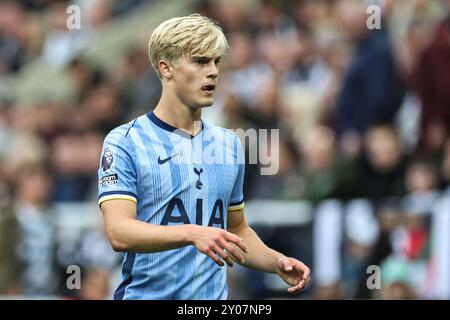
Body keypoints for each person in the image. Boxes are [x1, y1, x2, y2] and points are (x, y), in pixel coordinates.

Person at [98, 13, 310, 300]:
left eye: (216, 62)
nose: (212, 71)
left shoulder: (229, 144)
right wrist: (192, 233)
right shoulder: (125, 141)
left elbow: (236, 229)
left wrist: (276, 262)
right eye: (200, 61)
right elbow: (119, 232)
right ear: (166, 67)